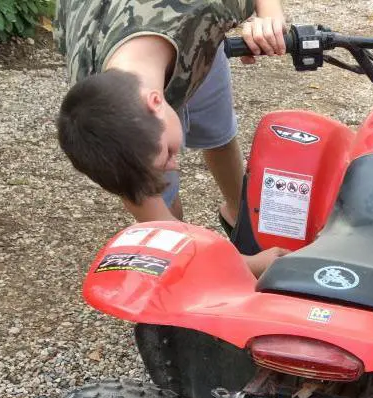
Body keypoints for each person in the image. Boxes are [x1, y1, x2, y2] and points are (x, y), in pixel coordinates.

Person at [54, 0, 287, 277]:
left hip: (193, 36)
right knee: (162, 201)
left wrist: (269, 19)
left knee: (216, 130)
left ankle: (239, 213)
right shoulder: (95, 100)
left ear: (155, 102)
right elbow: (142, 197)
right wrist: (248, 266)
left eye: (168, 154)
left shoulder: (202, 9)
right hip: (149, 44)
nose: (175, 165)